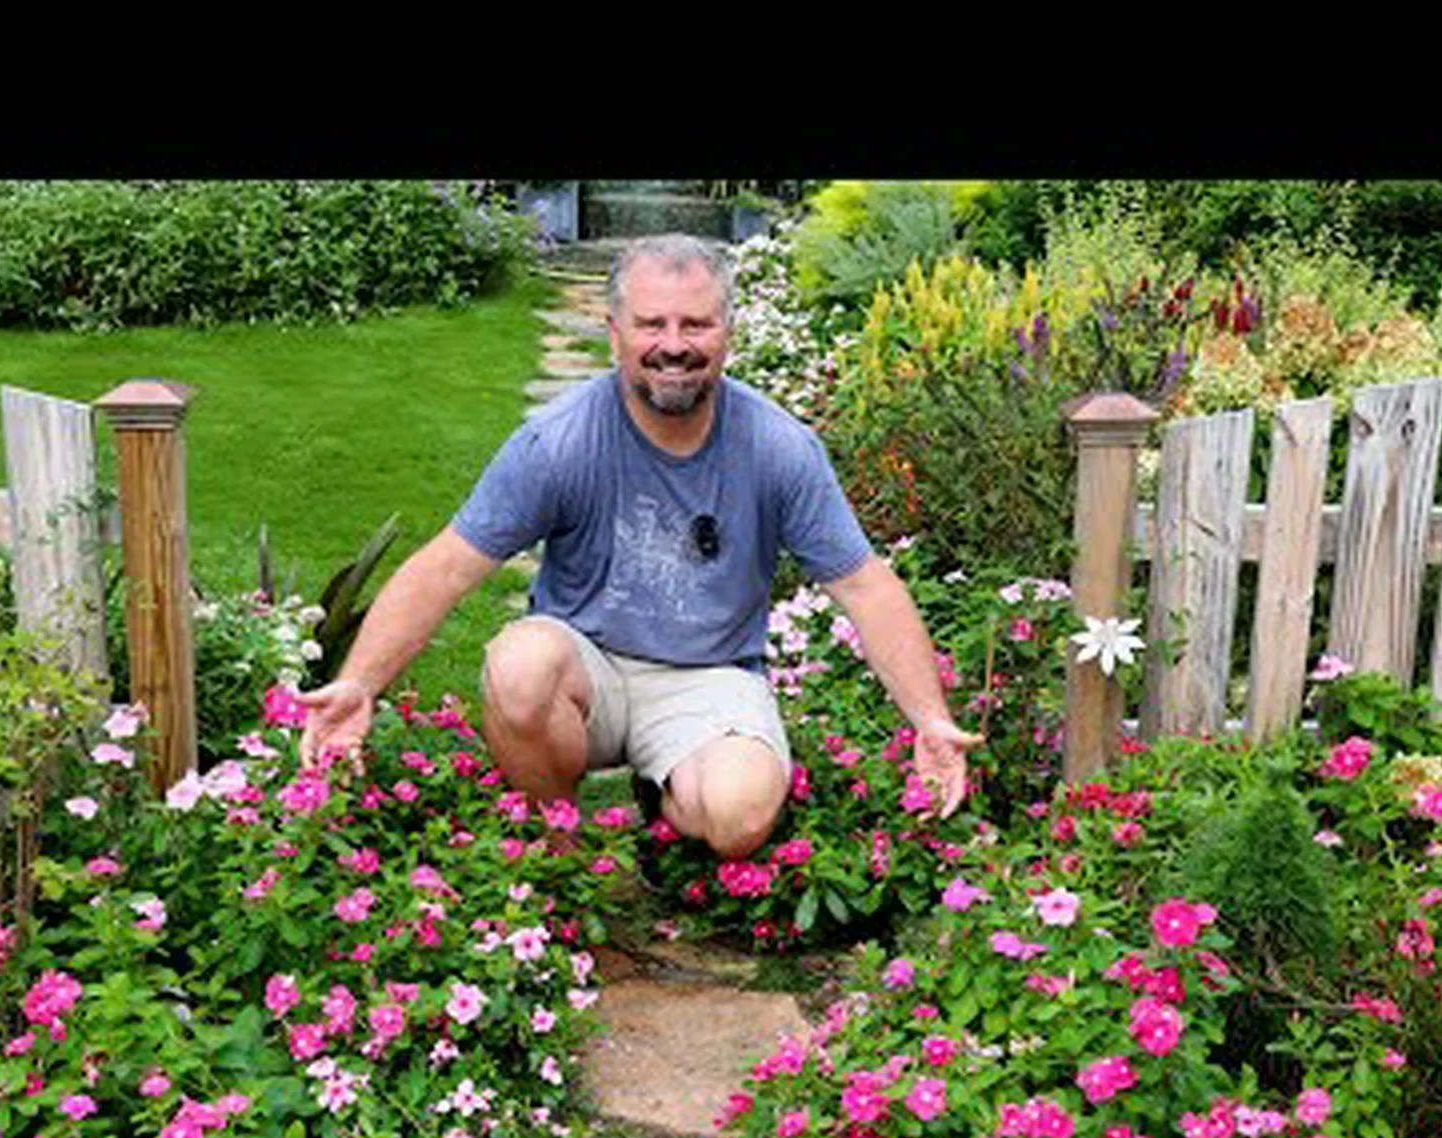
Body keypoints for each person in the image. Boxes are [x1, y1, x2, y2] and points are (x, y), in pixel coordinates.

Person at [299, 233, 979, 858]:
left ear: (728, 334)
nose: (674, 344)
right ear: (615, 334)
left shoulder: (777, 448)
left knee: (740, 819)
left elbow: (865, 585)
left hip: (709, 677)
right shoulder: (558, 443)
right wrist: (360, 683)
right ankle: (557, 841)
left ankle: (666, 794)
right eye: (652, 323)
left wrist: (930, 720)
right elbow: (447, 566)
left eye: (696, 324)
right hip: (584, 669)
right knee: (519, 665)